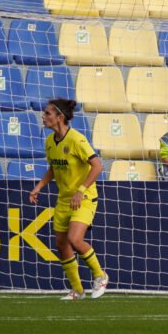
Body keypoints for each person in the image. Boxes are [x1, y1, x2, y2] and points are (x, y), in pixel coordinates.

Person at [28, 99, 109, 300]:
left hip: (84, 197)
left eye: (47, 113)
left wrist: (81, 191)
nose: (43, 116)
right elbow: (54, 168)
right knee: (62, 244)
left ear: (59, 117)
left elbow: (98, 166)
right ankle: (78, 290)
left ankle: (100, 275)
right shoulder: (49, 142)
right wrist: (39, 186)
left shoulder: (76, 139)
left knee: (75, 239)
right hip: (64, 199)